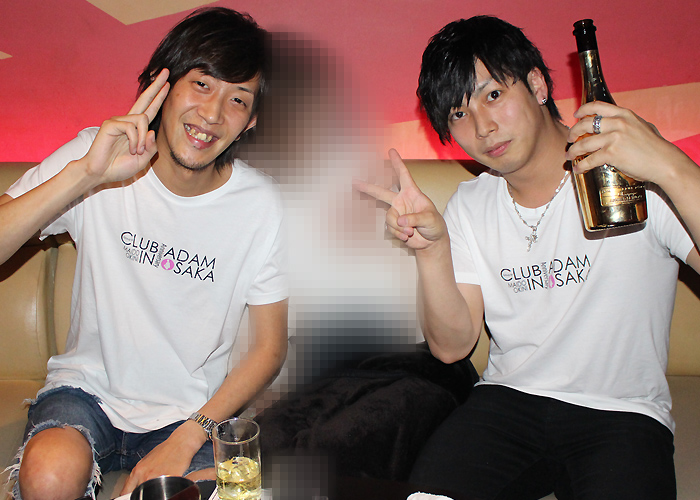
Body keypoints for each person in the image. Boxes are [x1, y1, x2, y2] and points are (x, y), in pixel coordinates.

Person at [355, 15, 700, 500]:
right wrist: (432, 250)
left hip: (622, 412)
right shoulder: (470, 205)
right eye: (458, 114)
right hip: (508, 404)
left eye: (493, 94)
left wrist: (671, 165)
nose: (483, 127)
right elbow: (452, 347)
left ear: (537, 84)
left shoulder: (627, 174)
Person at [1, 7, 288, 500]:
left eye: (237, 99)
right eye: (201, 85)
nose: (212, 114)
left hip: (189, 414)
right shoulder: (97, 154)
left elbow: (268, 348)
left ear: (251, 121)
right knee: (49, 476)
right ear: (163, 83)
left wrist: (190, 435)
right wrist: (86, 175)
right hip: (85, 394)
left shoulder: (261, 205)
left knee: (202, 493)